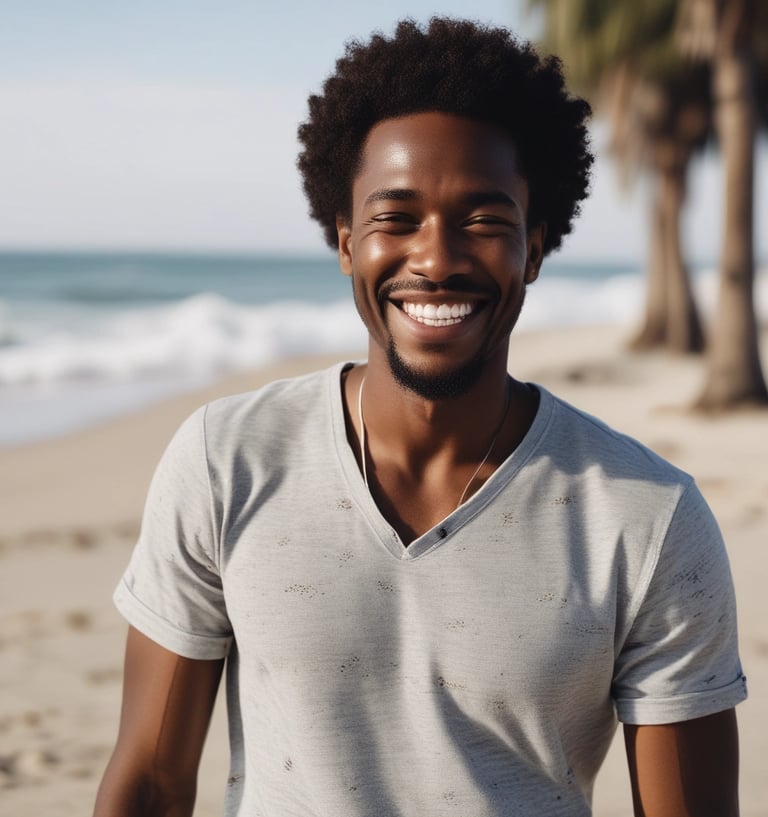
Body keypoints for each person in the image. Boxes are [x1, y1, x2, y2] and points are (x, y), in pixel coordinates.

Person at [93, 17, 747, 817]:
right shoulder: (226, 460)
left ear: (535, 248)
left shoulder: (649, 518)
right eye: (395, 218)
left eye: (484, 220)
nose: (436, 259)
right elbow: (151, 782)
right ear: (344, 241)